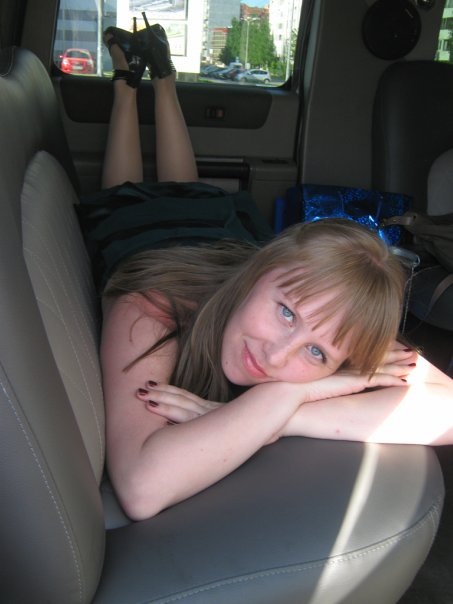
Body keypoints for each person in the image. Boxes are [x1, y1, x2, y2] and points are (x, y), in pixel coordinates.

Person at [91, 18, 453, 521]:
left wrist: (290, 406)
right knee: (129, 194)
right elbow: (142, 487)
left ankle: (164, 77)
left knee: (192, 192)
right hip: (146, 237)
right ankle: (128, 85)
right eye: (285, 312)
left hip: (213, 237)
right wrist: (305, 388)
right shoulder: (149, 309)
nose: (277, 356)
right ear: (261, 265)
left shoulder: (330, 314)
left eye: (316, 353)